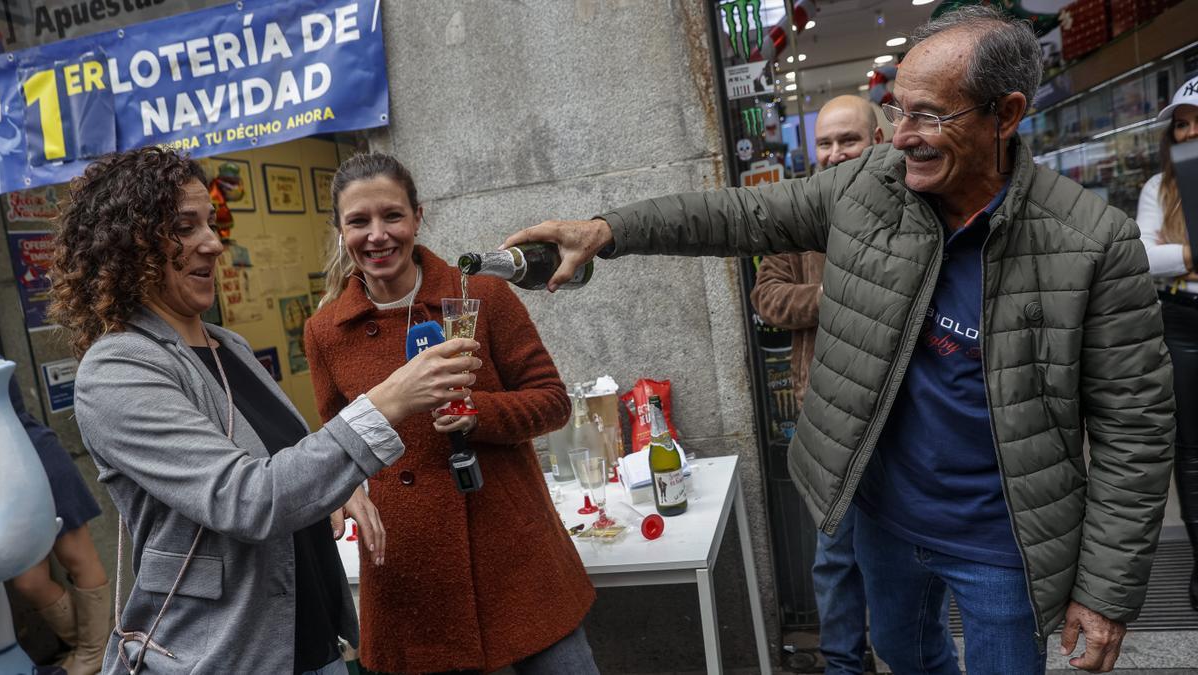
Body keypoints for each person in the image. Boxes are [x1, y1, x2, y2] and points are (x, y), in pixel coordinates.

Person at [502, 7, 1175, 674]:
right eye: (898, 109)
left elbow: (1136, 428)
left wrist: (1105, 591)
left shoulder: (1092, 242)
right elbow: (739, 214)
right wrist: (606, 231)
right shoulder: (869, 187)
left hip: (1000, 543)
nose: (902, 135)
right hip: (884, 516)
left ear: (1006, 114)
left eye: (928, 115)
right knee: (904, 653)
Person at [50, 147, 480, 675]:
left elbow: (285, 461)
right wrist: (389, 400)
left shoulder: (226, 346)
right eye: (186, 227)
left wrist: (338, 486)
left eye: (209, 223)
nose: (213, 242)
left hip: (309, 637)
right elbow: (246, 499)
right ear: (128, 246)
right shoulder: (116, 370)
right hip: (226, 655)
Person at [304, 152, 598, 675]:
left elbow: (552, 400)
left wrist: (475, 413)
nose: (377, 235)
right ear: (339, 230)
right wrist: (345, 493)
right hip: (411, 571)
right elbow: (334, 440)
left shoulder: (482, 293)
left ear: (419, 216)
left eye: (392, 216)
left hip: (513, 552)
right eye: (359, 221)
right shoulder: (326, 332)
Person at [750, 96, 890, 675]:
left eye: (848, 140)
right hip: (827, 415)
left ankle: (907, 655)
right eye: (826, 144)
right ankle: (842, 664)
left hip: (903, 413)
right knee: (835, 556)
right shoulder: (799, 213)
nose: (835, 154)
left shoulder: (912, 206)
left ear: (878, 141)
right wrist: (831, 299)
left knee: (905, 556)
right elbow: (768, 295)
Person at [2, 358, 110, 675]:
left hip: (32, 455)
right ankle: (101, 646)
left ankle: (94, 653)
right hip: (5, 476)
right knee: (29, 581)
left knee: (78, 558)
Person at [1137, 73, 1198, 611]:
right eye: (1182, 124)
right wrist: (1188, 255)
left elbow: (1161, 254)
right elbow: (1141, 257)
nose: (1188, 133)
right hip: (1181, 320)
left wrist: (1173, 250)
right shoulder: (1159, 189)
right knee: (1191, 450)